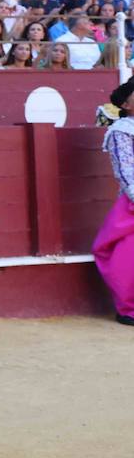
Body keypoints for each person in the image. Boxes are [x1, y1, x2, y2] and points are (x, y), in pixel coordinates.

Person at [93, 77, 134, 326]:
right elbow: (126, 170)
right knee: (128, 254)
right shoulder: (122, 130)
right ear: (126, 105)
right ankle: (129, 308)